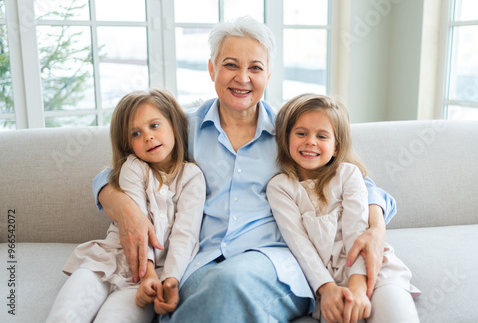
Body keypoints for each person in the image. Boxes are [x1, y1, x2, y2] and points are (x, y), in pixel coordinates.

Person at [92, 16, 397, 322]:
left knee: (227, 284)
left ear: (268, 75)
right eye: (230, 65)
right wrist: (127, 210)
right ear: (212, 69)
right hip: (201, 264)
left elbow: (357, 182)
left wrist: (376, 228)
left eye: (255, 68)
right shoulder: (184, 129)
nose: (243, 78)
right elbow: (112, 175)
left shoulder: (291, 134)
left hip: (272, 264)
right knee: (210, 291)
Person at [46, 88, 205, 322]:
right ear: (128, 144)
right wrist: (147, 272)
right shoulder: (133, 167)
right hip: (106, 261)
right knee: (65, 316)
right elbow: (137, 222)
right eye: (136, 133)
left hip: (149, 280)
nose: (148, 137)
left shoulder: (192, 177)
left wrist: (169, 280)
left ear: (173, 124)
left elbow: (186, 235)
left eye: (154, 125)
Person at [267, 93, 421, 323]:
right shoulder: (280, 188)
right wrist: (327, 288)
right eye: (301, 133)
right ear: (286, 138)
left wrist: (358, 286)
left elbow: (356, 231)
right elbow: (299, 245)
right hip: (326, 283)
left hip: (370, 269)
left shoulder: (348, 174)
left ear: (336, 147)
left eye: (322, 136)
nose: (310, 141)